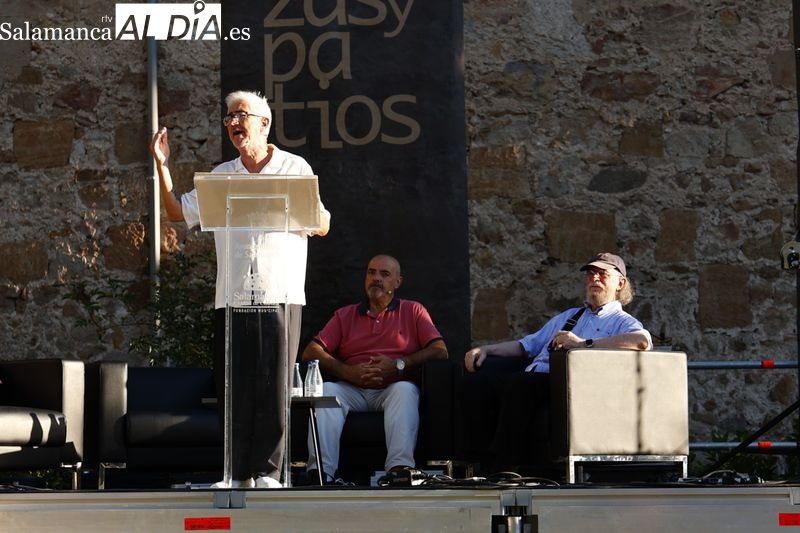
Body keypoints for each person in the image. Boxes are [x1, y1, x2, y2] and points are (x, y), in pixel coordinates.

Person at [149, 90, 331, 489]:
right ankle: (236, 473)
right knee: (233, 387)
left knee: (272, 385)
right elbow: (178, 212)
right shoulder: (222, 177)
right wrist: (162, 167)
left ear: (264, 123)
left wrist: (310, 217)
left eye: (241, 115)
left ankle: (268, 472)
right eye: (229, 116)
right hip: (232, 295)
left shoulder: (293, 167)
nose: (233, 122)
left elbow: (322, 222)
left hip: (278, 292)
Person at [462, 252, 652, 474]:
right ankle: (472, 464)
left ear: (620, 283)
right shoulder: (571, 316)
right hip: (533, 376)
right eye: (591, 274)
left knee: (521, 385)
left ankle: (504, 465)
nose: (595, 279)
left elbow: (642, 341)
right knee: (478, 383)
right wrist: (485, 349)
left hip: (568, 384)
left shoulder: (621, 321)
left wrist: (583, 344)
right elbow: (526, 345)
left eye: (602, 274)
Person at [301, 254, 448, 483]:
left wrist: (399, 365)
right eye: (371, 272)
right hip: (352, 389)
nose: (376, 278)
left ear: (397, 282)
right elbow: (311, 351)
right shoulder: (346, 315)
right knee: (327, 390)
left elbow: (440, 350)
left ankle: (399, 469)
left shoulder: (413, 311)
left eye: (384, 274)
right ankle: (321, 473)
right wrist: (346, 371)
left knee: (405, 390)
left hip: (392, 389)